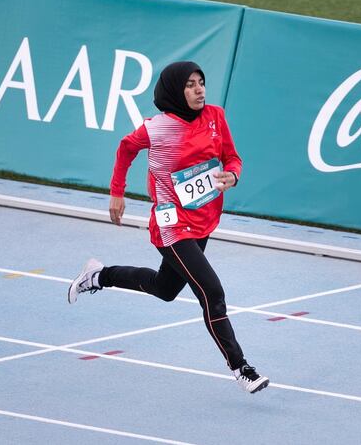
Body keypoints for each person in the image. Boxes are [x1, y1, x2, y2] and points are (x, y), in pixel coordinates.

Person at [67, 60, 269, 394]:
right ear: (176, 90)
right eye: (190, 84)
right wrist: (117, 193)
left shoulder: (216, 117)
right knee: (212, 293)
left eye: (201, 81)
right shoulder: (157, 128)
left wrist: (232, 176)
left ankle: (98, 275)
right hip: (171, 226)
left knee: (165, 288)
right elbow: (125, 148)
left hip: (203, 219)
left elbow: (233, 158)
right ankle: (241, 368)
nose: (199, 88)